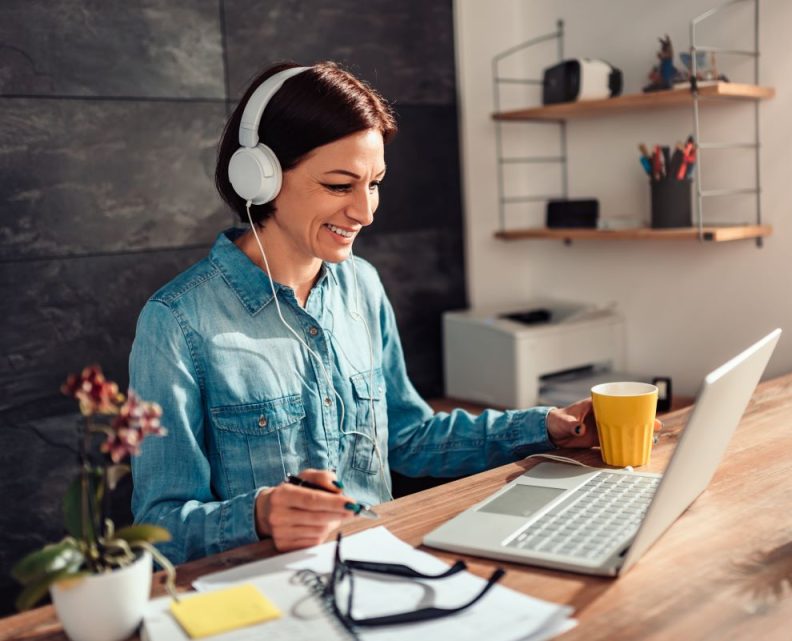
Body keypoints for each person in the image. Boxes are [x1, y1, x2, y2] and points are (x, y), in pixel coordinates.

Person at [129, 61, 600, 565]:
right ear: (259, 178)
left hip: (383, 563)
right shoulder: (177, 322)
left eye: (373, 183)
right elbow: (158, 528)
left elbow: (407, 438)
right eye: (339, 185)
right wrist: (260, 515)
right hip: (268, 588)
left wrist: (547, 427)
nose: (366, 211)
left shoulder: (362, 285)